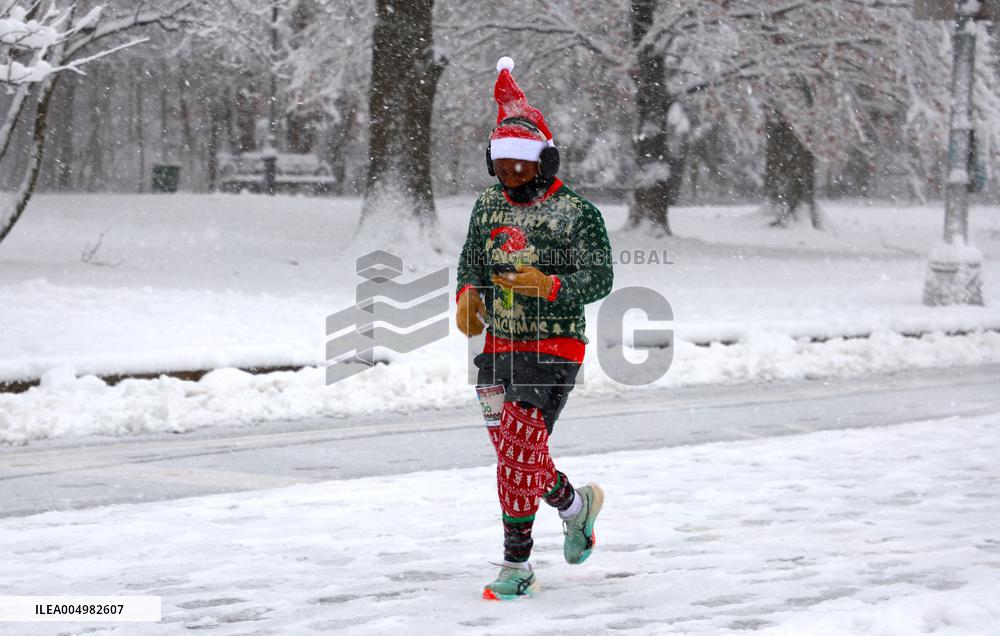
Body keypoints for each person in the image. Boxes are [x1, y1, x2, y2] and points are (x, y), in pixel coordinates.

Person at [455, 56, 615, 600]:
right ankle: (575, 506)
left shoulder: (576, 213)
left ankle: (516, 567)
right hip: (496, 345)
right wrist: (467, 295)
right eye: (501, 166)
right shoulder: (486, 206)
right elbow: (472, 260)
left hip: (555, 346)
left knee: (521, 441)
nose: (511, 175)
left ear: (545, 161)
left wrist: (547, 286)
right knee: (514, 457)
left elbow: (600, 278)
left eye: (521, 166)